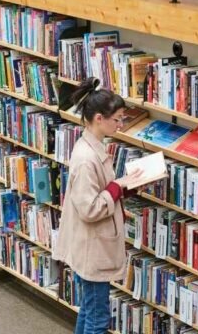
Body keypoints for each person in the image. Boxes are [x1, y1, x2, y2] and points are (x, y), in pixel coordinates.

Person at [53, 78, 143, 334]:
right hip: (91, 248)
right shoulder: (86, 158)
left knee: (90, 311)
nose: (121, 124)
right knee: (98, 318)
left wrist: (125, 186)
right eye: (118, 119)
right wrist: (118, 186)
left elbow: (100, 191)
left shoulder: (93, 148)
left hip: (92, 246)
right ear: (99, 119)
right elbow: (90, 208)